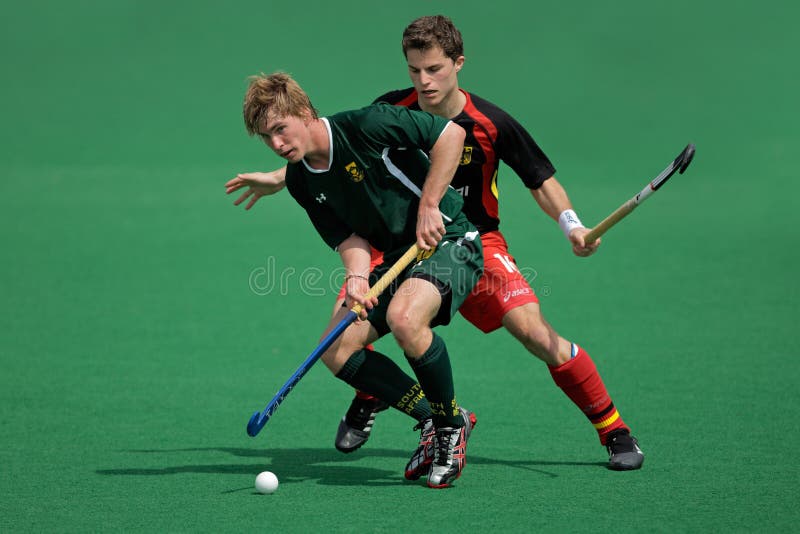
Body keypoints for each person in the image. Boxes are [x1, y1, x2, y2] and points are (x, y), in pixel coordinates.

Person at [227, 16, 644, 471]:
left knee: (534, 333)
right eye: (414, 70)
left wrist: (572, 226)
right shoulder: (391, 110)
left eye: (434, 69)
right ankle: (392, 399)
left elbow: (540, 180)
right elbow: (339, 164)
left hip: (470, 237)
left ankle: (614, 430)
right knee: (345, 333)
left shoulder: (490, 122)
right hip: (398, 242)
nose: (424, 81)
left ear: (457, 64)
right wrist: (281, 179)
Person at [238, 72, 484, 488]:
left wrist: (428, 205)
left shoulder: (367, 125)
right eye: (267, 138)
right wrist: (356, 276)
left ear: (303, 112)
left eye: (280, 129)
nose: (277, 144)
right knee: (335, 349)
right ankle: (436, 416)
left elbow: (450, 135)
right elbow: (347, 237)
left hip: (451, 238)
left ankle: (448, 431)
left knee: (407, 320)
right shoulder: (299, 178)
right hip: (397, 259)